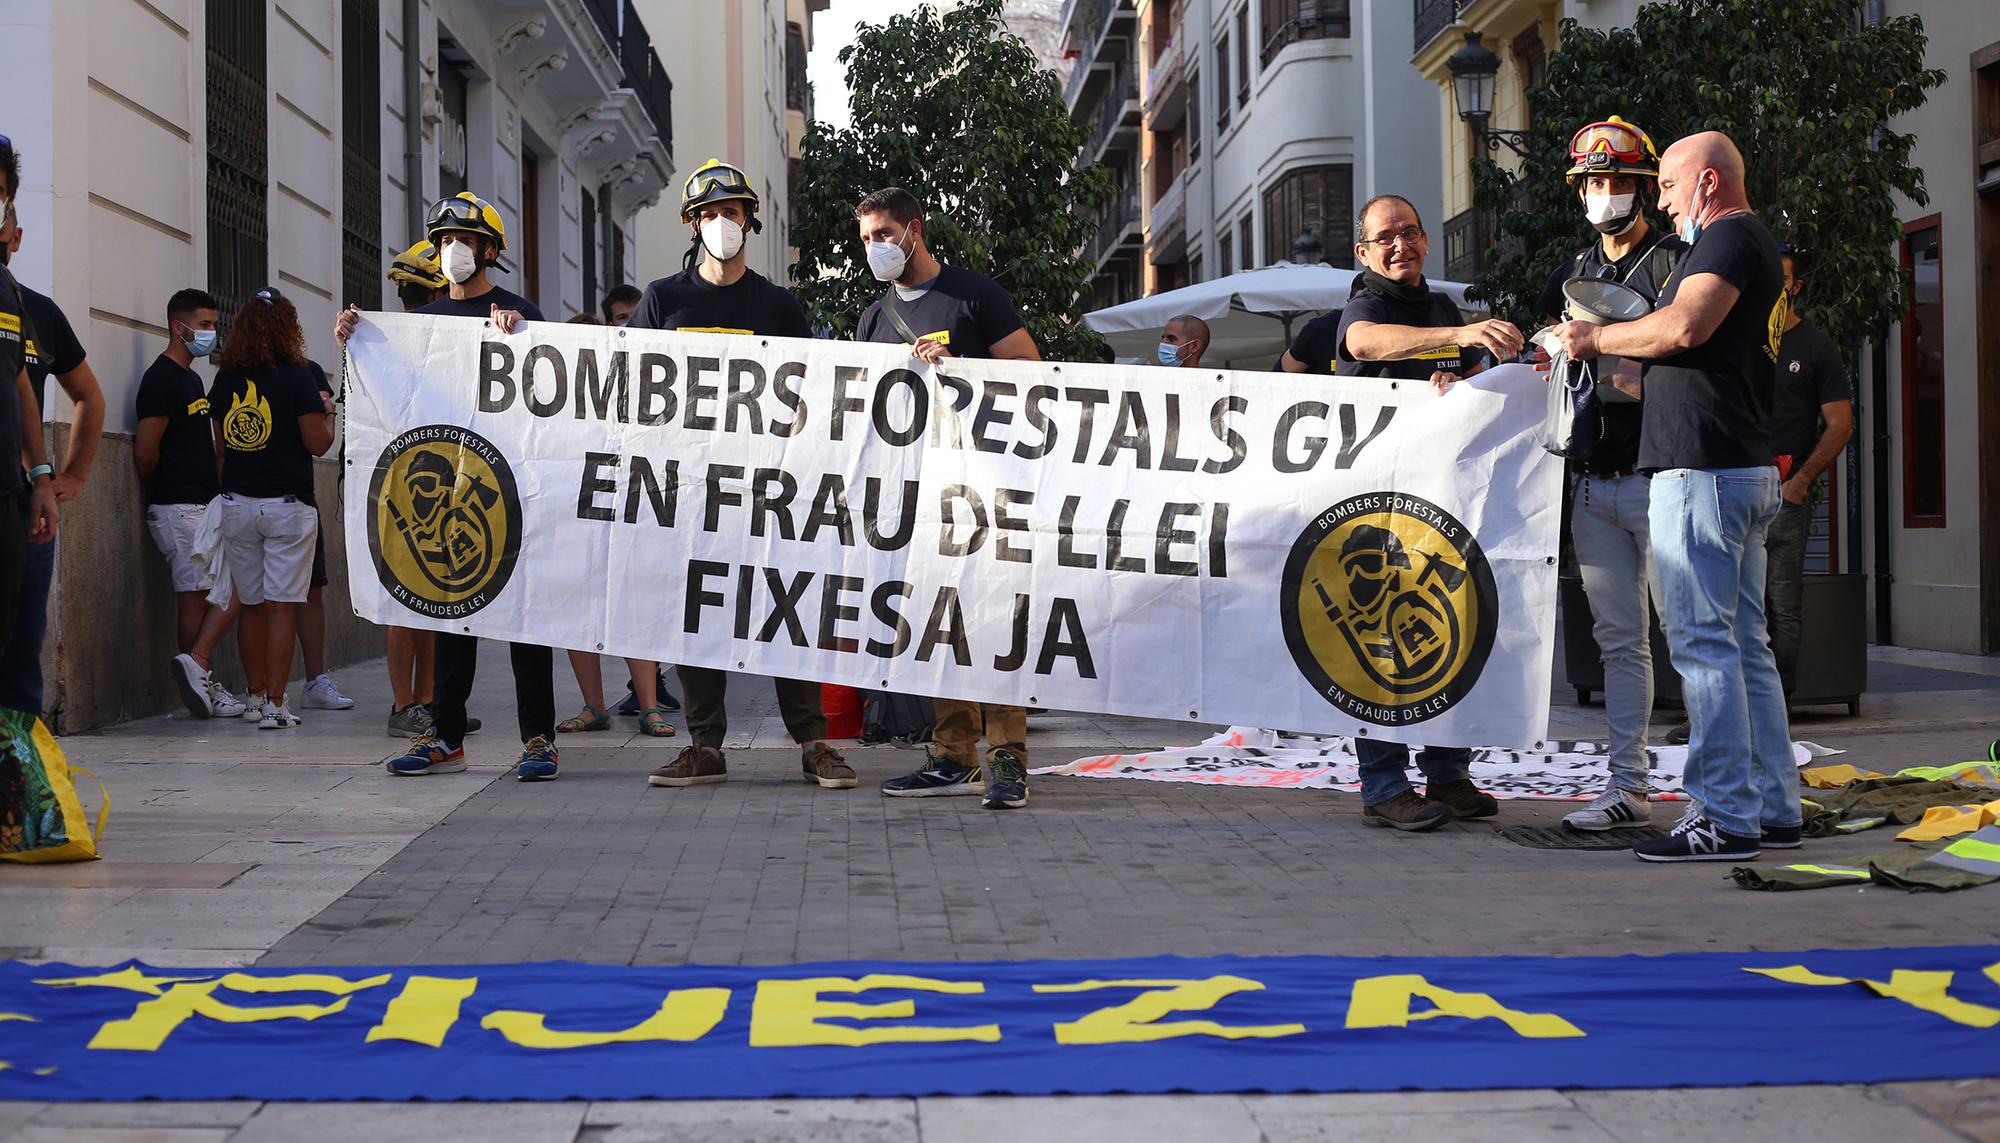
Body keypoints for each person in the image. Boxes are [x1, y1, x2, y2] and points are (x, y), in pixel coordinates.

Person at [1549, 131, 1799, 862]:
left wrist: (1595, 342)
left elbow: (1685, 325)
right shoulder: (1743, 243)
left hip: (1703, 473)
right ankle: (1773, 804)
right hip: (1733, 467)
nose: (1657, 197)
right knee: (1744, 646)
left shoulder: (1726, 240)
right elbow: (1688, 360)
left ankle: (1722, 813)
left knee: (1705, 647)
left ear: (1710, 184)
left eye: (1666, 183)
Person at [1285, 193, 1520, 832]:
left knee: (1453, 634)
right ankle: (1384, 786)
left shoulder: (1439, 305)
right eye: (1385, 237)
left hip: (1441, 506)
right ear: (1363, 253)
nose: (1400, 245)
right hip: (1378, 514)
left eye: (1410, 233)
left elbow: (1473, 374)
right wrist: (1459, 335)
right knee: (1379, 645)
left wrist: (1498, 370)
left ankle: (1447, 776)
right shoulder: (1368, 302)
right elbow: (1366, 340)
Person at [631, 159, 853, 792]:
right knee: (696, 613)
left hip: (769, 492)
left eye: (731, 212)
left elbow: (813, 395)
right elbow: (618, 382)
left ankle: (815, 745)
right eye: (708, 213)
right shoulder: (662, 300)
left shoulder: (778, 306)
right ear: (692, 224)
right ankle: (704, 746)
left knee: (786, 609)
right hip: (691, 490)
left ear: (749, 222)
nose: (720, 223)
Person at [341, 192, 558, 780]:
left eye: (462, 239)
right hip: (447, 490)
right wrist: (358, 339)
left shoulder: (519, 312)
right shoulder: (424, 324)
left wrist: (524, 337)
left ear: (489, 250)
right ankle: (445, 734)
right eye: (443, 240)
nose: (451, 249)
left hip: (508, 490)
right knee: (449, 613)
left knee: (524, 620)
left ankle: (539, 738)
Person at [853, 186, 1039, 809]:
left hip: (982, 488)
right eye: (866, 239)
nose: (875, 247)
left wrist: (962, 365)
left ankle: (1007, 759)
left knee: (993, 618)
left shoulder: (973, 295)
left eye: (884, 234)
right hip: (914, 493)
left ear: (914, 230)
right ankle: (954, 754)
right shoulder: (874, 317)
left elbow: (1029, 369)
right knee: (936, 622)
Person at [1534, 118, 1686, 833]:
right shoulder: (1577, 269)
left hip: (1661, 478)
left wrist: (1616, 362)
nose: (1606, 193)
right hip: (1592, 481)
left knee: (1692, 636)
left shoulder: (1675, 263)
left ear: (1644, 186)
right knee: (1620, 642)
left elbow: (1687, 363)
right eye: (1595, 181)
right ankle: (1629, 787)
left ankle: (1730, 785)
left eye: (1618, 180)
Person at [205, 287, 334, 730]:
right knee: (282, 606)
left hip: (237, 504)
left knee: (253, 606)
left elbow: (222, 450)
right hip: (287, 507)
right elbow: (318, 443)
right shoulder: (299, 378)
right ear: (288, 328)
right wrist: (329, 413)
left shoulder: (224, 380)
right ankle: (277, 706)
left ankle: (256, 696)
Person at [0, 194, 106, 716]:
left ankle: (20, 777)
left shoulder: (35, 312)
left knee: (22, 649)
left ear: (15, 238)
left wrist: (71, 476)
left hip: (24, 508)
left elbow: (88, 395)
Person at [1760, 246, 1851, 695]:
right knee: (1727, 608)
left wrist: (1801, 482)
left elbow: (1840, 425)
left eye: (1780, 279)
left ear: (1795, 287)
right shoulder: (1740, 340)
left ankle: (1776, 711)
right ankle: (1723, 715)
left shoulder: (1815, 346)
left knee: (1782, 605)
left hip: (1784, 496)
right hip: (1731, 491)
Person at [0, 138, 61, 675]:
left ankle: (16, 757)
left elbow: (18, 379)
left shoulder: (12, 297)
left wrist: (43, 477)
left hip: (8, 500)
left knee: (17, 656)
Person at [381, 241, 446, 736]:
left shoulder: (443, 340)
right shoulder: (390, 346)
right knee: (407, 602)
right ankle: (405, 703)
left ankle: (427, 699)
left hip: (443, 486)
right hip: (405, 487)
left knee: (435, 603)